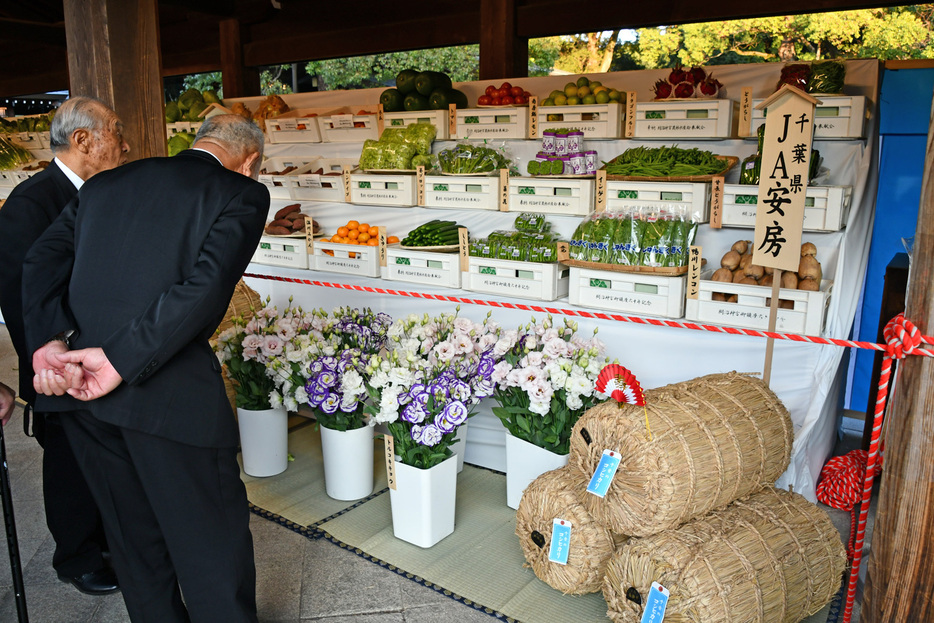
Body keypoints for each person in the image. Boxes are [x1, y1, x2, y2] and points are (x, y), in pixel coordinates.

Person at [24, 113, 269, 623]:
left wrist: (50, 341)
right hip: (169, 401)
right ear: (249, 163)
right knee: (208, 538)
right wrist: (119, 359)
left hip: (82, 397)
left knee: (132, 540)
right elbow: (203, 289)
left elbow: (41, 258)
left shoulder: (106, 183)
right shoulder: (241, 193)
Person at [0, 96, 128, 595]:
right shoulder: (33, 202)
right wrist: (52, 359)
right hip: (58, 359)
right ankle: (77, 558)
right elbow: (18, 293)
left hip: (100, 354)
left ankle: (109, 541)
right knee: (70, 463)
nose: (124, 142)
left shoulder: (104, 191)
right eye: (115, 131)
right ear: (83, 140)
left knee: (102, 457)